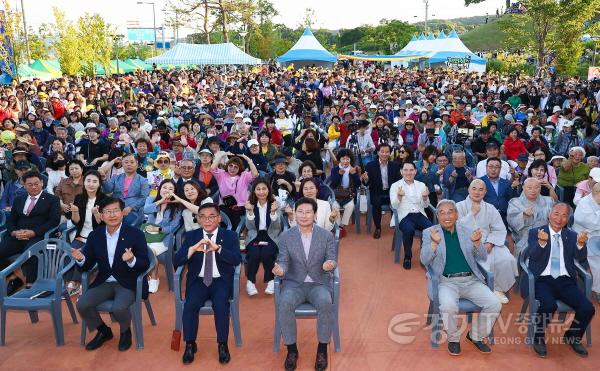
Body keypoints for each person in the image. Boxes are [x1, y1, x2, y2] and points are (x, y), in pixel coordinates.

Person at [420, 199, 501, 356]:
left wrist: (478, 243)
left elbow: (482, 257)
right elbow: (424, 260)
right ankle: (453, 338)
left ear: (456, 214)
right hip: (446, 282)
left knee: (495, 304)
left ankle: (475, 336)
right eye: (442, 213)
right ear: (437, 216)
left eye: (450, 211)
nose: (446, 216)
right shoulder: (430, 233)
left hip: (471, 280)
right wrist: (434, 245)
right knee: (448, 306)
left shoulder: (467, 230)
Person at [73, 197, 150, 352]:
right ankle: (103, 331)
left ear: (122, 213)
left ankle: (125, 331)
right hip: (105, 281)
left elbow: (145, 263)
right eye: (107, 211)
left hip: (128, 281)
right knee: (82, 304)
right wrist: (81, 259)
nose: (112, 215)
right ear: (101, 215)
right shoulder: (96, 235)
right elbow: (87, 264)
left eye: (116, 210)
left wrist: (132, 260)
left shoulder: (135, 234)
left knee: (119, 308)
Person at [174, 203, 242, 365]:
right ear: (197, 219)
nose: (207, 220)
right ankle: (190, 343)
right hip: (198, 280)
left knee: (221, 305)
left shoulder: (230, 236)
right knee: (190, 304)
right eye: (202, 216)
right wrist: (191, 250)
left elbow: (236, 260)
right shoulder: (191, 236)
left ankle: (222, 344)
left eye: (212, 216)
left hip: (221, 281)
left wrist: (218, 249)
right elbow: (177, 261)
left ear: (219, 218)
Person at [273, 197, 337, 371]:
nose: (304, 215)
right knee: (284, 303)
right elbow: (283, 261)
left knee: (325, 302)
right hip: (294, 283)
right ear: (294, 213)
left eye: (308, 212)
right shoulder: (286, 236)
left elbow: (332, 259)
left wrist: (329, 265)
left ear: (315, 214)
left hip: (319, 283)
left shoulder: (326, 236)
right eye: (300, 211)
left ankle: (322, 349)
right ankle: (292, 350)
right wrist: (281, 269)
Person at [526, 203, 595, 358]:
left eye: (564, 215)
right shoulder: (535, 232)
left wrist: (580, 244)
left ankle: (573, 336)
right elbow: (533, 256)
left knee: (588, 308)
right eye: (556, 213)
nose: (559, 218)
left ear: (568, 218)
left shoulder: (570, 235)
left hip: (565, 280)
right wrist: (542, 243)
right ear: (549, 214)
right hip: (543, 279)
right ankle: (538, 337)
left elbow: (580, 258)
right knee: (549, 305)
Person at [0, 171, 61, 295]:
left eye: (36, 184)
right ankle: (13, 277)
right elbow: (11, 220)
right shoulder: (19, 199)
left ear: (42, 183)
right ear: (24, 185)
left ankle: (30, 284)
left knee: (30, 252)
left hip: (38, 235)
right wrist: (13, 232)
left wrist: (33, 232)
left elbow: (54, 221)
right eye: (30, 184)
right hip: (17, 236)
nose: (33, 187)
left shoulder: (52, 199)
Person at [457, 179, 517, 304]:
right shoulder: (459, 206)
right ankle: (481, 290)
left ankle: (498, 289)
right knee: (482, 262)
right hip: (465, 244)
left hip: (488, 243)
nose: (477, 192)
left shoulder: (490, 208)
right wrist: (472, 214)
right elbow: (456, 228)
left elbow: (499, 229)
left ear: (485, 192)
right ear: (468, 189)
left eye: (481, 189)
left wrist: (490, 243)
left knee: (507, 259)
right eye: (474, 188)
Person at [66, 170, 107, 296]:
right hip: (81, 236)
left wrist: (96, 214)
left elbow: (104, 225)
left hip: (98, 237)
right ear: (84, 183)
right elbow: (77, 222)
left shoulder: (105, 200)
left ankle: (76, 282)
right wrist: (75, 211)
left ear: (99, 184)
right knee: (68, 254)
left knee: (81, 254)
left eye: (95, 181)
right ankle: (70, 280)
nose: (91, 184)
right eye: (88, 181)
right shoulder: (79, 198)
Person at [389, 161, 433, 269]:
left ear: (415, 171)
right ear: (401, 171)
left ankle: (427, 256)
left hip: (419, 213)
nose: (408, 173)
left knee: (431, 229)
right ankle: (407, 257)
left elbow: (426, 205)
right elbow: (394, 206)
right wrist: (399, 197)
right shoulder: (395, 186)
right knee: (408, 230)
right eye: (405, 170)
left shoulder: (421, 185)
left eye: (411, 170)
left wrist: (425, 197)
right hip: (404, 215)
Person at [143, 179, 183, 293]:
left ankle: (154, 278)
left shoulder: (177, 206)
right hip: (147, 235)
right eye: (165, 187)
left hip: (164, 238)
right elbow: (145, 210)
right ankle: (147, 277)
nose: (167, 190)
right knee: (141, 248)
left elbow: (174, 227)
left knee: (150, 251)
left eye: (171, 189)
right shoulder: (151, 199)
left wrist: (159, 229)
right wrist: (160, 201)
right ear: (160, 189)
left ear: (174, 192)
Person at [244, 179, 282, 296]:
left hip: (270, 235)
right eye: (258, 189)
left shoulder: (275, 204)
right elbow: (249, 227)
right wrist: (250, 212)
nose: (261, 192)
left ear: (268, 190)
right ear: (254, 191)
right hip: (254, 235)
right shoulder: (250, 204)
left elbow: (277, 227)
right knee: (254, 254)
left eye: (264, 189)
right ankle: (250, 282)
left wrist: (273, 212)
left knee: (266, 254)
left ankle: (270, 280)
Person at [361, 143, 401, 239]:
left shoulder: (394, 166)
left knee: (398, 201)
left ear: (390, 153)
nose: (384, 154)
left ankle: (396, 224)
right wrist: (365, 179)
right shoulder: (370, 165)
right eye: (382, 151)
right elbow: (366, 183)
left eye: (387, 152)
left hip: (390, 192)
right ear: (378, 152)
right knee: (376, 203)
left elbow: (398, 181)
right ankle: (378, 227)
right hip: (376, 192)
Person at [211, 151, 259, 229]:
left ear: (239, 168)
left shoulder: (244, 175)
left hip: (240, 206)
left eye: (236, 167)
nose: (232, 168)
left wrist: (248, 160)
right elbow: (212, 168)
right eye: (231, 166)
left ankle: (233, 233)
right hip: (225, 205)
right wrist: (222, 155)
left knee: (235, 214)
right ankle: (229, 233)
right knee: (224, 214)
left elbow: (255, 174)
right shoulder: (222, 174)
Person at [507, 178, 555, 256]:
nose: (533, 190)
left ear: (540, 188)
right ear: (523, 187)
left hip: (547, 236)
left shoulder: (549, 201)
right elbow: (512, 222)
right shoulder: (515, 202)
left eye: (537, 187)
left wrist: (552, 219)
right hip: (524, 237)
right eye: (529, 187)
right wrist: (523, 215)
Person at [103, 153, 150, 225]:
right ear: (122, 164)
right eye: (126, 162)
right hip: (116, 208)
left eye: (132, 162)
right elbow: (107, 190)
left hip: (134, 211)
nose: (129, 164)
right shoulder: (116, 178)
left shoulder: (143, 180)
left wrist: (131, 207)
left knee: (127, 221)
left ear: (137, 164)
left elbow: (143, 198)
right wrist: (103, 179)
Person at [573, 183, 600, 294]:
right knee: (598, 260)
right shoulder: (584, 203)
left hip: (597, 235)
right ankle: (598, 290)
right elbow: (593, 224)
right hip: (585, 238)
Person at [327, 149, 360, 236]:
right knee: (334, 206)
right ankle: (338, 226)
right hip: (337, 195)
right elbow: (333, 184)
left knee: (350, 206)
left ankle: (341, 226)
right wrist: (339, 174)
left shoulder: (353, 169)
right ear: (339, 159)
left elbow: (358, 184)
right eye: (343, 159)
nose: (345, 161)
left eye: (347, 159)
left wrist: (354, 174)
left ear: (350, 160)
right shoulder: (335, 169)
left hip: (349, 195)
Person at [480, 157, 519, 224]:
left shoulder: (506, 182)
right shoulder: (480, 181)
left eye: (497, 167)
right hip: (486, 217)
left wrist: (513, 188)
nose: (493, 169)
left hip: (504, 217)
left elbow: (512, 200)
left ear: (500, 168)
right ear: (486, 167)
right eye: (491, 166)